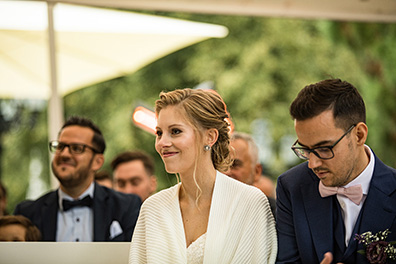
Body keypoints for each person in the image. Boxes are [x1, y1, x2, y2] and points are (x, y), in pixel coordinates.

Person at [130, 88, 277, 263]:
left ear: (210, 136)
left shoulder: (249, 202)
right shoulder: (152, 208)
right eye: (159, 133)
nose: (162, 143)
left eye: (175, 131)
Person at [276, 79, 396, 264]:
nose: (312, 163)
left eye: (324, 148)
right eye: (306, 150)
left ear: (359, 135)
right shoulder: (291, 187)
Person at [14, 116, 141, 242]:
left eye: (76, 148)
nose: (64, 154)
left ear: (97, 161)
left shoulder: (127, 207)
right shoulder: (27, 213)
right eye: (60, 146)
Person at [226, 131, 276, 215]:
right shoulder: (203, 211)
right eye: (220, 165)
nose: (226, 172)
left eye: (235, 165)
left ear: (257, 171)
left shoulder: (275, 216)